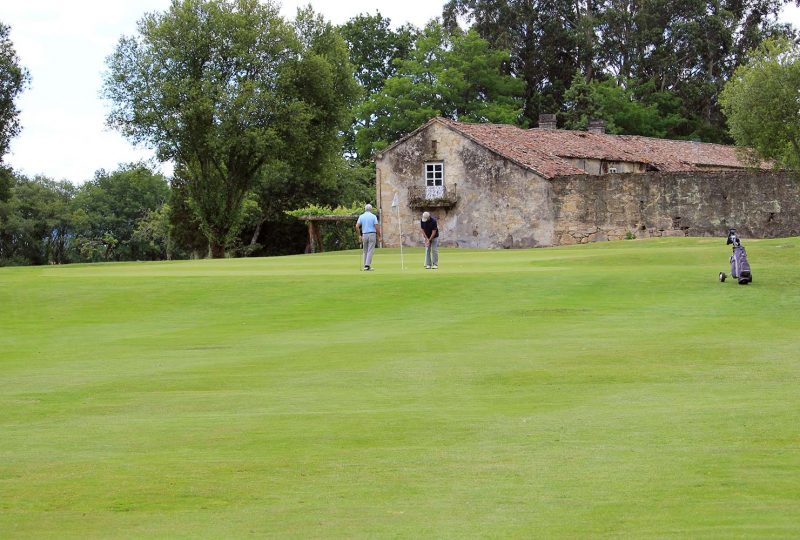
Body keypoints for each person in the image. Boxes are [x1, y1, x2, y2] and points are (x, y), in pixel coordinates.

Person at [355, 203, 381, 271]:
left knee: (365, 251)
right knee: (370, 250)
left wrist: (359, 235)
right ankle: (367, 265)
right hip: (372, 234)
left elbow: (357, 226)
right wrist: (379, 236)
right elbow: (376, 227)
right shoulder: (373, 216)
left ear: (365, 209)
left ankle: (365, 266)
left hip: (364, 234)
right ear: (371, 209)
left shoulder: (361, 216)